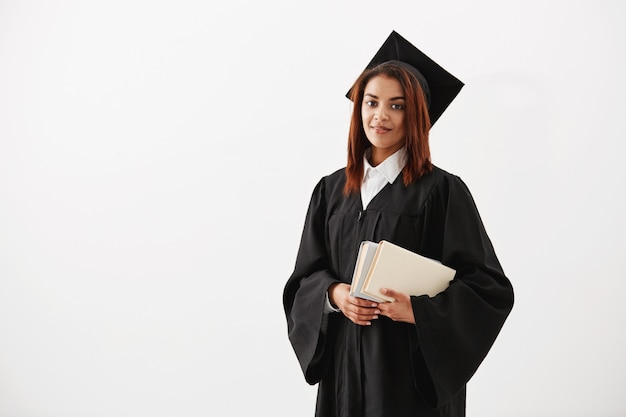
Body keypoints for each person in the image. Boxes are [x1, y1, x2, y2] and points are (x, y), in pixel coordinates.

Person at [283, 31, 514, 417]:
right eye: (372, 102)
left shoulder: (442, 192)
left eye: (397, 106)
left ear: (417, 114)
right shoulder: (330, 190)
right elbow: (304, 279)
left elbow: (489, 289)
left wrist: (419, 311)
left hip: (408, 377)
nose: (381, 115)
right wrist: (336, 295)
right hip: (343, 374)